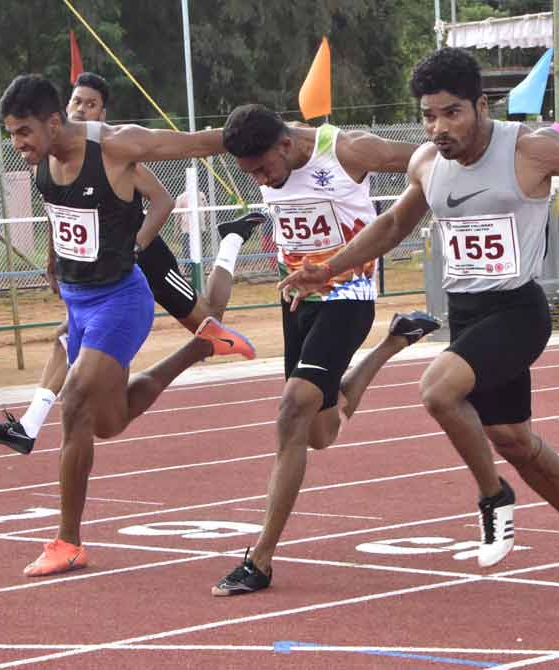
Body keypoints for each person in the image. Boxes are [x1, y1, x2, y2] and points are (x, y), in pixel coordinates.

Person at [281, 48, 559, 599]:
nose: (438, 128)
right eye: (428, 115)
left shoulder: (532, 150)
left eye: (451, 113)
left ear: (481, 106)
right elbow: (395, 223)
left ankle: (494, 499)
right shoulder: (427, 162)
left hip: (517, 311)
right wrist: (328, 267)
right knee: (514, 441)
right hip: (466, 314)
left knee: (438, 392)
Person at [0, 74, 255, 577]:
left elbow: (191, 145)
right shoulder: (43, 161)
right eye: (11, 134)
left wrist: (258, 131)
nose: (17, 144)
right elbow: (60, 214)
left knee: (75, 405)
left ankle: (67, 541)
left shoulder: (116, 147)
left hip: (123, 297)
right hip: (79, 301)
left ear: (55, 121)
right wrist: (54, 260)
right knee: (108, 423)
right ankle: (195, 352)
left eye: (24, 131)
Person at [209, 105, 441, 596]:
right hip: (296, 296)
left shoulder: (348, 150)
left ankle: (260, 559)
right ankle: (393, 343)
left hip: (347, 295)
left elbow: (428, 158)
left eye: (262, 168)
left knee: (292, 408)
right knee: (320, 432)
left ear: (286, 144)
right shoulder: (266, 158)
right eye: (249, 173)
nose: (261, 181)